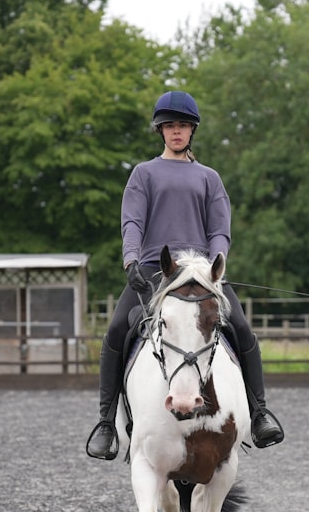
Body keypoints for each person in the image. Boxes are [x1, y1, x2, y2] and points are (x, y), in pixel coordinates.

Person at [86, 90, 284, 460]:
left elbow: (219, 229)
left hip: (201, 273)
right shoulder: (143, 174)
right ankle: (106, 423)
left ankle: (259, 414)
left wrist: (215, 266)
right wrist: (131, 262)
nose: (177, 132)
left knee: (240, 328)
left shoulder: (209, 178)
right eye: (170, 126)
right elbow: (132, 222)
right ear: (161, 131)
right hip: (153, 272)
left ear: (192, 131)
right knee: (116, 330)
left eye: (183, 126)